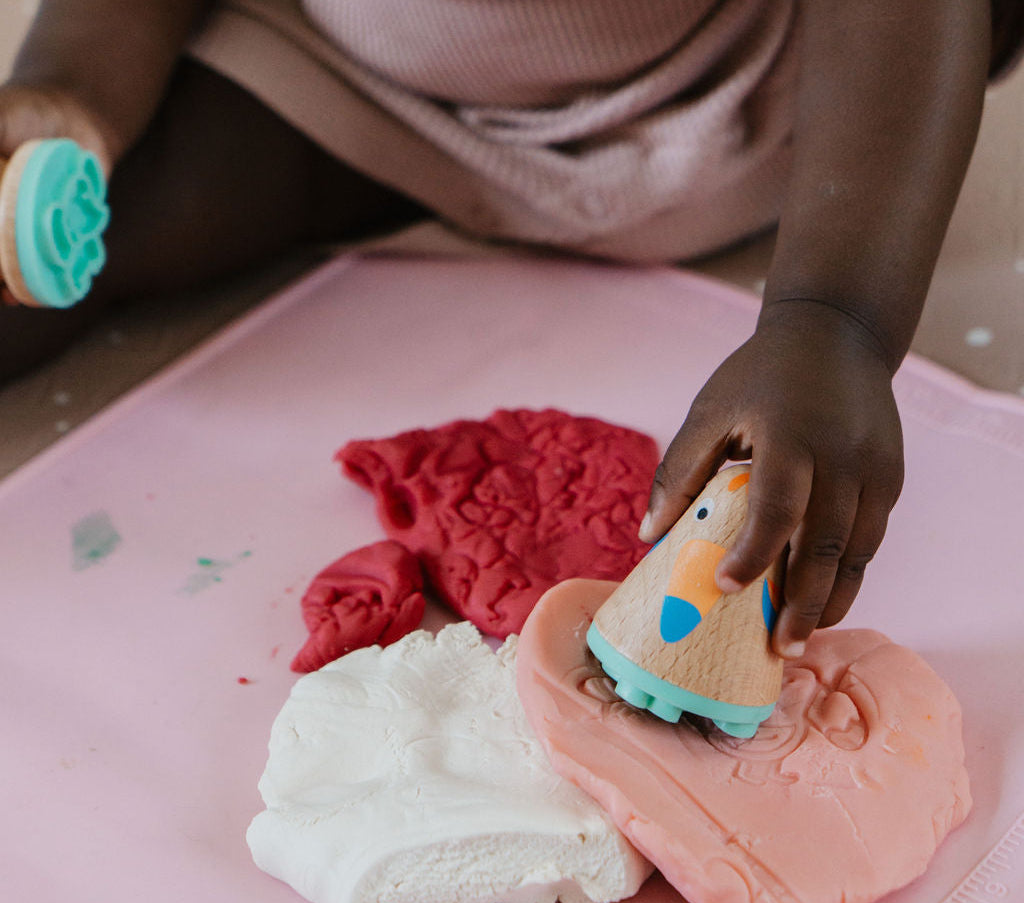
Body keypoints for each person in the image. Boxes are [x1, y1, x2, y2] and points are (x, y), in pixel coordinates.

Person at [1, 0, 1021, 659]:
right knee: (66, 244)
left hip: (759, 85)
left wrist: (833, 315)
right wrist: (72, 91)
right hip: (355, 83)